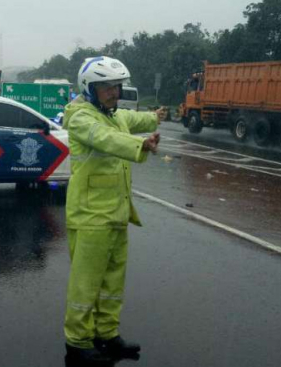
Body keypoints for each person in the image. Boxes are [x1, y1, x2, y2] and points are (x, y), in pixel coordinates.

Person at [62, 56, 165, 365]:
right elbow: (104, 138)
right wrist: (140, 146)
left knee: (112, 281)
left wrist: (155, 117)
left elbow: (133, 121)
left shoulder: (113, 114)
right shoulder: (80, 117)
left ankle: (107, 333)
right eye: (106, 87)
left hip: (116, 214)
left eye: (117, 86)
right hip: (90, 216)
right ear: (89, 88)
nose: (114, 92)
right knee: (86, 282)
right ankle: (78, 341)